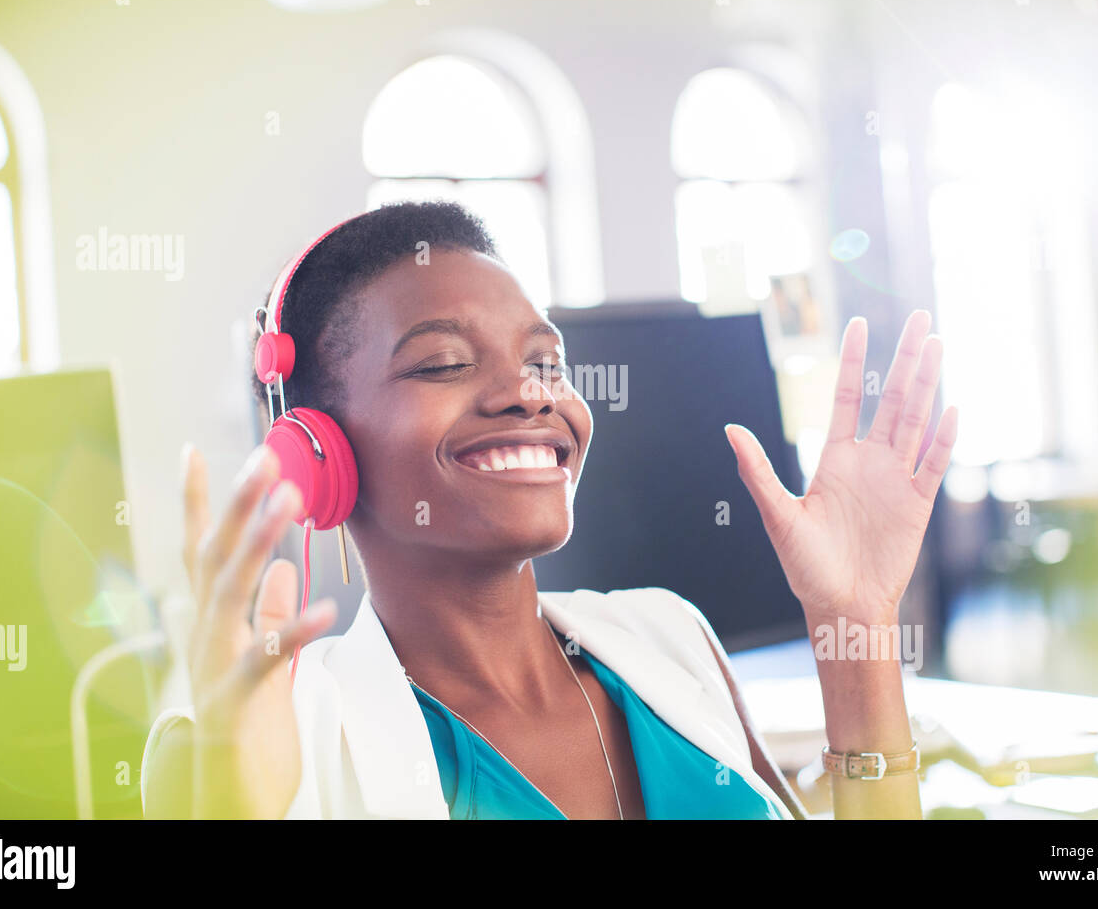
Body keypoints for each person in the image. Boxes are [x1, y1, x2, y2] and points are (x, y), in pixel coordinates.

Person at [141, 201, 956, 820]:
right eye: (444, 363)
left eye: (546, 362)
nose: (531, 394)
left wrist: (856, 629)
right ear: (317, 446)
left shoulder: (666, 637)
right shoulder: (282, 727)